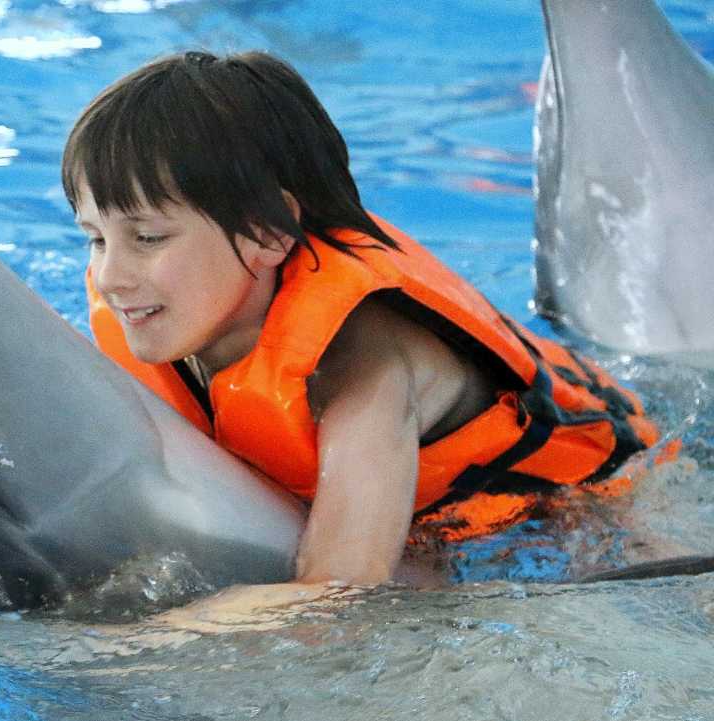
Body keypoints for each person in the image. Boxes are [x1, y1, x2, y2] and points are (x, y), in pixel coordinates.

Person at [62, 50, 660, 588]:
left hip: (590, 502)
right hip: (434, 520)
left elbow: (340, 590)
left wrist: (110, 648)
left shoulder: (364, 363)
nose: (111, 277)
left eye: (146, 236)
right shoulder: (177, 313)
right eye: (95, 239)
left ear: (268, 231)